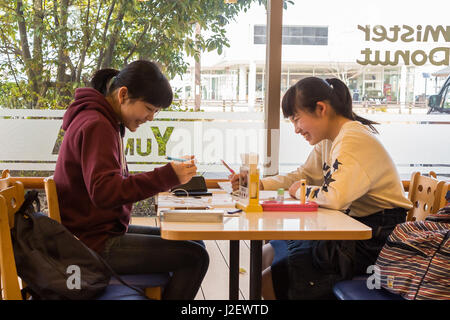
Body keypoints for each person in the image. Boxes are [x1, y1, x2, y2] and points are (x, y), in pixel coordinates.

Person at [231, 77, 412, 299]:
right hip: (351, 229)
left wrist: (300, 191)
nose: (296, 129)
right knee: (268, 252)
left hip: (376, 241)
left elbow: (335, 198)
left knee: (269, 278)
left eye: (296, 119)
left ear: (321, 109)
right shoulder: (331, 139)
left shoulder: (353, 139)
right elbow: (302, 175)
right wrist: (258, 183)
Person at [54, 60, 209, 300]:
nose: (150, 118)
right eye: (148, 108)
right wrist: (168, 176)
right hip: (91, 244)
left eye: (155, 112)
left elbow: (109, 186)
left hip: (95, 234)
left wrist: (169, 176)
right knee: (196, 257)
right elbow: (105, 192)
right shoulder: (97, 124)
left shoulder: (102, 121)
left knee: (194, 242)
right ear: (123, 94)